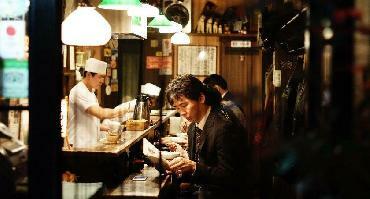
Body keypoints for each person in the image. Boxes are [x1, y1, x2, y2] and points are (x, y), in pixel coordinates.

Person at [165, 74, 251, 198]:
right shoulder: (193, 128)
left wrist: (193, 167)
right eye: (177, 108)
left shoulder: (223, 126)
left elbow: (229, 175)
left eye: (184, 105)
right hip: (203, 189)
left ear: (201, 98)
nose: (182, 113)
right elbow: (198, 163)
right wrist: (178, 168)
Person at [67, 58, 127, 148]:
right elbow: (100, 114)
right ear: (88, 75)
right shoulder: (78, 91)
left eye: (104, 77)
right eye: (100, 77)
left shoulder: (91, 93)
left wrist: (108, 128)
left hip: (90, 145)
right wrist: (125, 109)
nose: (102, 81)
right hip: (79, 146)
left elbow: (90, 121)